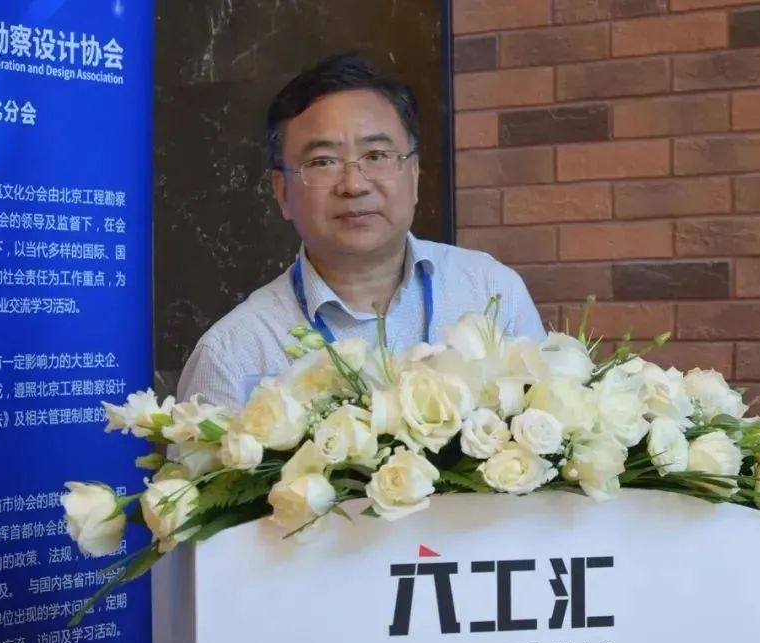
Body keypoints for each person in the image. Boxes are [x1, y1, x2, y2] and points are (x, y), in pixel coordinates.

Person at [176, 53, 547, 411]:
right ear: (283, 191)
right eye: (323, 162)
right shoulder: (233, 354)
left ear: (414, 175)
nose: (353, 185)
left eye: (377, 156)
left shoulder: (490, 292)